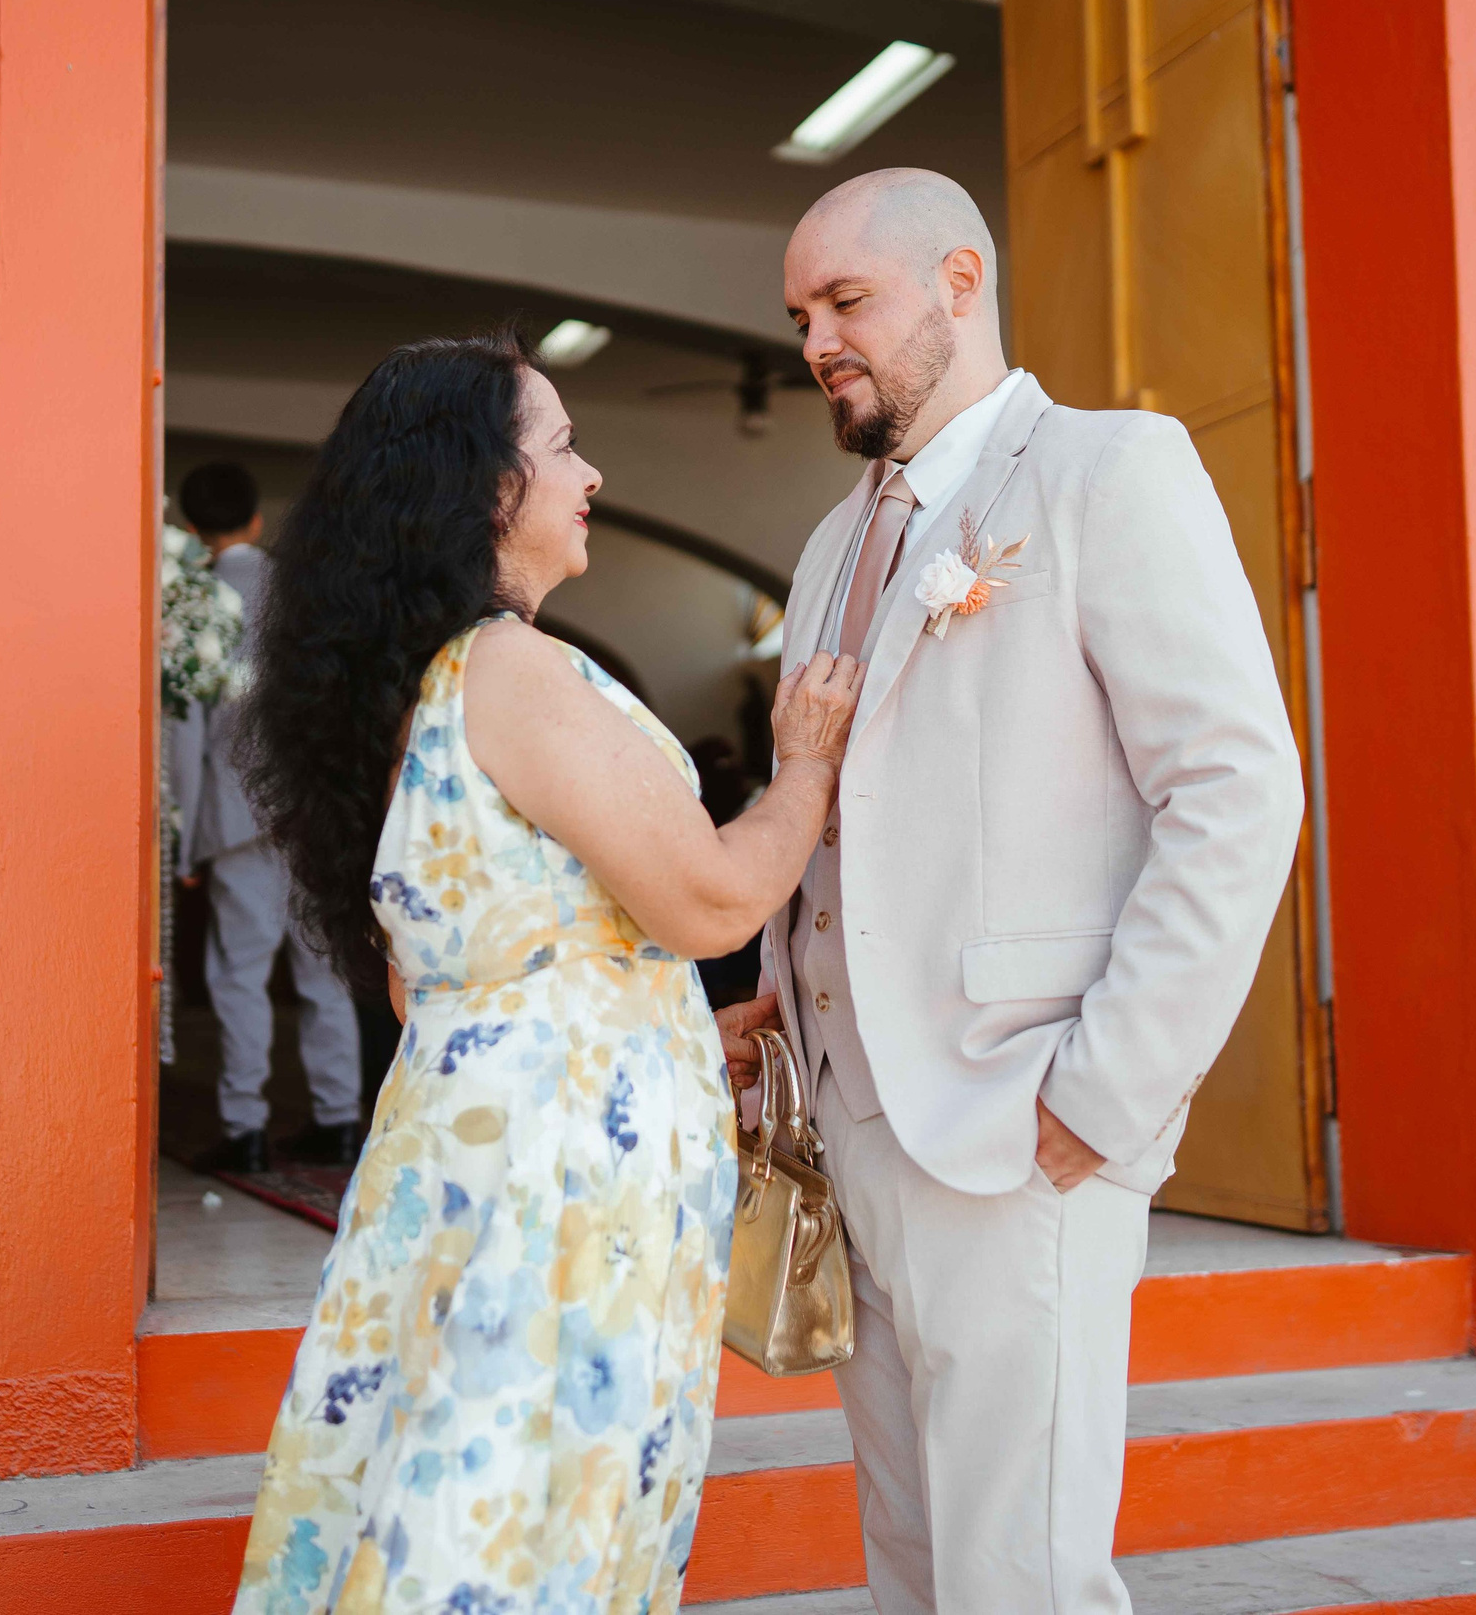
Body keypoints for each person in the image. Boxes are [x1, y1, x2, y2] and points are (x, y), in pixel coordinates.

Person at [717, 168, 1306, 1615]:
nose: (816, 342)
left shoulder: (1115, 469)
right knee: (913, 1561)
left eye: (847, 301)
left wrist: (1103, 1093)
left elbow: (1237, 790)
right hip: (848, 1129)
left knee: (1020, 1575)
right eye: (801, 315)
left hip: (1020, 1118)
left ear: (961, 281)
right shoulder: (828, 542)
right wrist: (780, 1002)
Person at [231, 330, 862, 1613]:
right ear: (485, 487)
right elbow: (710, 894)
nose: (593, 474)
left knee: (443, 1467)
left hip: (475, 1148)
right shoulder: (516, 667)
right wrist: (804, 763)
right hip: (561, 1179)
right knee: (535, 1501)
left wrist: (658, 1028)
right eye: (562, 445)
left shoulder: (419, 684)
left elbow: (452, 971)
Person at [168, 460, 365, 1173]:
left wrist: (184, 842)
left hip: (236, 811)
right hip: (309, 806)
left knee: (238, 975)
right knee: (325, 971)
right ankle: (339, 1117)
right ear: (255, 519)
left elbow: (184, 732)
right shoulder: (305, 591)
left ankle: (244, 1126)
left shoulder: (192, 600)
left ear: (193, 529)